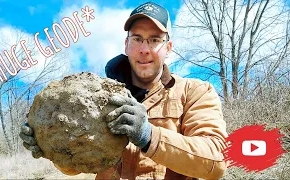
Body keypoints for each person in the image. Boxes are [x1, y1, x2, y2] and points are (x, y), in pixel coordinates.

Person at [20, 1, 228, 179]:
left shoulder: (194, 92)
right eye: (137, 38)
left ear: (168, 47)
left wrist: (148, 136)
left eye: (154, 40)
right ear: (126, 44)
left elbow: (216, 161)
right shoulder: (97, 96)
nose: (144, 49)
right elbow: (78, 163)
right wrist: (49, 145)